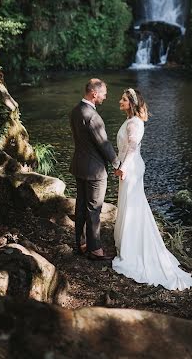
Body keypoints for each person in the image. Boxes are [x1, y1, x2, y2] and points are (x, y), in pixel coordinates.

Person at [112, 87, 192, 290]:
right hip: (127, 167)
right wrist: (116, 163)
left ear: (131, 103)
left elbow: (132, 149)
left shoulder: (135, 123)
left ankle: (134, 249)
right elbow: (123, 149)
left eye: (123, 99)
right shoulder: (129, 121)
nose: (120, 101)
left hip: (131, 169)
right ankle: (127, 243)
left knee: (133, 207)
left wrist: (123, 167)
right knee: (129, 205)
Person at [70, 78, 122, 261]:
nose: (105, 97)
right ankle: (95, 250)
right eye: (104, 94)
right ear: (94, 93)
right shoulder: (92, 116)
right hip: (95, 171)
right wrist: (117, 164)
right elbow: (104, 144)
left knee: (81, 206)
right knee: (94, 209)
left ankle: (80, 244)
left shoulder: (75, 111)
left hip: (79, 165)